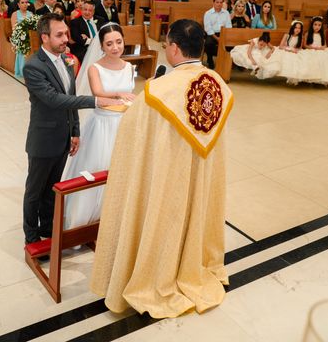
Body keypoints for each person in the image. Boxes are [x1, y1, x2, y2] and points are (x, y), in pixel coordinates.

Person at [90, 19, 233, 318]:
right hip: (198, 175)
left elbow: (133, 136)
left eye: (166, 44)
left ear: (175, 49)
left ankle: (156, 273)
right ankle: (191, 262)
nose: (165, 48)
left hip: (167, 175)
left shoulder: (158, 90)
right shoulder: (218, 85)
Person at [22, 13, 117, 246]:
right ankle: (32, 238)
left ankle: (48, 228)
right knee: (34, 191)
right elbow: (55, 100)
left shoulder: (65, 59)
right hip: (43, 140)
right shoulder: (33, 66)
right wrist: (95, 101)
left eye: (66, 33)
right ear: (45, 37)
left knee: (51, 188)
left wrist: (74, 131)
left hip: (63, 138)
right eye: (59, 35)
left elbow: (70, 97)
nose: (66, 38)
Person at [61, 23, 135, 229]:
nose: (115, 47)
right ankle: (83, 223)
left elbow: (130, 94)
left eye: (118, 42)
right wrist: (119, 94)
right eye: (109, 44)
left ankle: (113, 220)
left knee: (121, 171)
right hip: (102, 125)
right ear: (101, 46)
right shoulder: (95, 68)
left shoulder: (129, 67)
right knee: (98, 166)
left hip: (123, 125)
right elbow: (97, 92)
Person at [203, 0, 232, 69]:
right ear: (213, 3)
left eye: (221, 2)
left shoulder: (226, 13)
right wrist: (217, 38)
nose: (219, 4)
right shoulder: (208, 13)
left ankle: (226, 61)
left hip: (224, 33)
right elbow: (208, 28)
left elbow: (229, 26)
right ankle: (210, 59)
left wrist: (223, 37)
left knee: (231, 45)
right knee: (208, 44)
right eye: (217, 2)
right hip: (212, 34)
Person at [11, 0, 33, 78]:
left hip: (29, 36)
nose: (24, 4)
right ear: (18, 4)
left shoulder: (30, 14)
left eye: (26, 2)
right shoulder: (15, 14)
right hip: (18, 36)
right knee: (23, 45)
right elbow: (14, 28)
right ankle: (22, 70)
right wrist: (21, 34)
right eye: (22, 2)